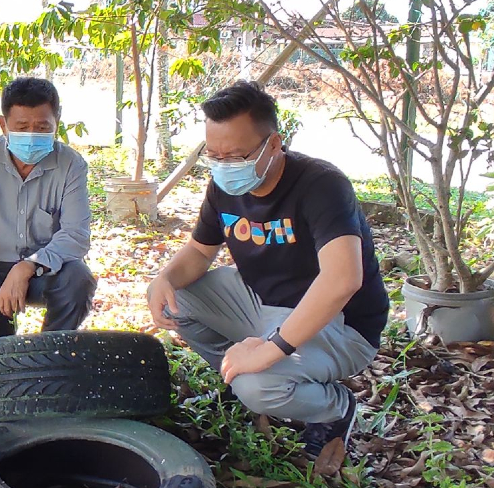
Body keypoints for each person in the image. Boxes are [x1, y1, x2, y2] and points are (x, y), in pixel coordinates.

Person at [145, 81, 389, 458]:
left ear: (274, 144)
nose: (225, 166)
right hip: (262, 302)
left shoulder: (322, 184)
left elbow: (343, 279)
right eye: (215, 155)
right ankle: (238, 370)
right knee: (180, 299)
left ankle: (334, 407)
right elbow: (198, 250)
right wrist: (164, 278)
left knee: (258, 388)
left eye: (236, 155)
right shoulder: (223, 185)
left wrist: (271, 350)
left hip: (338, 324)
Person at [0, 78, 96, 343]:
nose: (32, 135)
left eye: (42, 127)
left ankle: (52, 354)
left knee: (78, 279)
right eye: (22, 127)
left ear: (56, 122)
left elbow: (76, 234)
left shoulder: (71, 165)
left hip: (48, 268)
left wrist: (29, 266)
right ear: (3, 125)